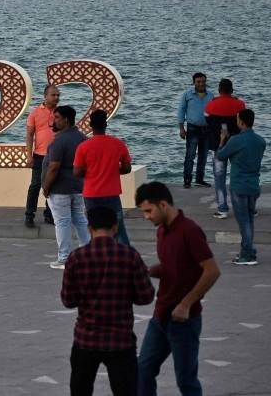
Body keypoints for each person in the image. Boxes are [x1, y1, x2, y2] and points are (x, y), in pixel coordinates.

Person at [135, 181, 220, 396]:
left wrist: (186, 304)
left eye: (148, 210)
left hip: (184, 321)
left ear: (163, 205)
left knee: (186, 381)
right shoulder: (162, 231)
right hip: (160, 316)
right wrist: (147, 271)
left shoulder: (190, 231)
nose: (146, 217)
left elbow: (211, 270)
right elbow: (171, 266)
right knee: (143, 371)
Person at [61, 206, 154, 396]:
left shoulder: (76, 258)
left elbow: (68, 301)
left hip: (86, 339)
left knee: (80, 390)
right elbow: (146, 297)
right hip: (121, 341)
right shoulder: (130, 256)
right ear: (115, 226)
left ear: (89, 228)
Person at [74, 109, 134, 246]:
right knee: (118, 229)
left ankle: (96, 256)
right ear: (106, 124)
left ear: (90, 125)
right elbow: (127, 168)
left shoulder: (83, 147)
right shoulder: (118, 144)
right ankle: (125, 257)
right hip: (112, 193)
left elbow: (77, 172)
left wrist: (90, 172)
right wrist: (113, 170)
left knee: (94, 229)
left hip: (91, 194)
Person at [215, 108, 265, 266]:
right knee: (249, 220)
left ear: (241, 122)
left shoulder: (236, 140)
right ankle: (248, 251)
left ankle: (247, 255)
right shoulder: (261, 141)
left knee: (243, 222)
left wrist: (223, 140)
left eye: (237, 119)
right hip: (254, 185)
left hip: (239, 185)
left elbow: (220, 155)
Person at [42, 105, 90, 269]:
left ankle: (64, 258)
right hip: (78, 187)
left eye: (57, 118)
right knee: (80, 220)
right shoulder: (83, 138)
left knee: (62, 222)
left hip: (60, 189)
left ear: (66, 120)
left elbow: (53, 167)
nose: (54, 121)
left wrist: (46, 187)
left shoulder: (60, 140)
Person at [204, 78, 247, 219]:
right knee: (240, 176)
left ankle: (222, 209)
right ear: (232, 90)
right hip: (237, 146)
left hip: (218, 146)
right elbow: (244, 121)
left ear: (219, 90)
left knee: (219, 178)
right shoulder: (240, 104)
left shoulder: (211, 105)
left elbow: (207, 121)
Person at [24, 85, 60, 228]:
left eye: (58, 95)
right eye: (53, 95)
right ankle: (29, 215)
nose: (56, 98)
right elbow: (29, 135)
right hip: (39, 155)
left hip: (57, 156)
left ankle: (49, 214)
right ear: (45, 96)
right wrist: (28, 155)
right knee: (35, 185)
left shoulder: (61, 113)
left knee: (53, 186)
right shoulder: (35, 113)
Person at [177, 73, 212, 188]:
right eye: (198, 81)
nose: (201, 83)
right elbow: (181, 111)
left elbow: (214, 113)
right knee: (190, 155)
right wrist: (181, 128)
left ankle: (199, 179)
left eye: (203, 81)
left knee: (203, 156)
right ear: (194, 83)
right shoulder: (187, 95)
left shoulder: (210, 96)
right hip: (192, 129)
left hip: (207, 130)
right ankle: (187, 180)